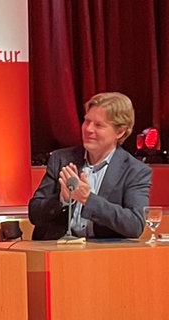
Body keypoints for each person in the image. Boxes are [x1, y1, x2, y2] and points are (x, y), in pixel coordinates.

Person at [28, 92, 152, 240]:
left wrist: (88, 198)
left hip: (101, 256)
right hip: (57, 253)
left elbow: (135, 225)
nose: (88, 129)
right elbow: (34, 213)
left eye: (98, 125)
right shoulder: (61, 159)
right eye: (87, 121)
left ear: (120, 132)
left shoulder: (135, 171)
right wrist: (62, 199)